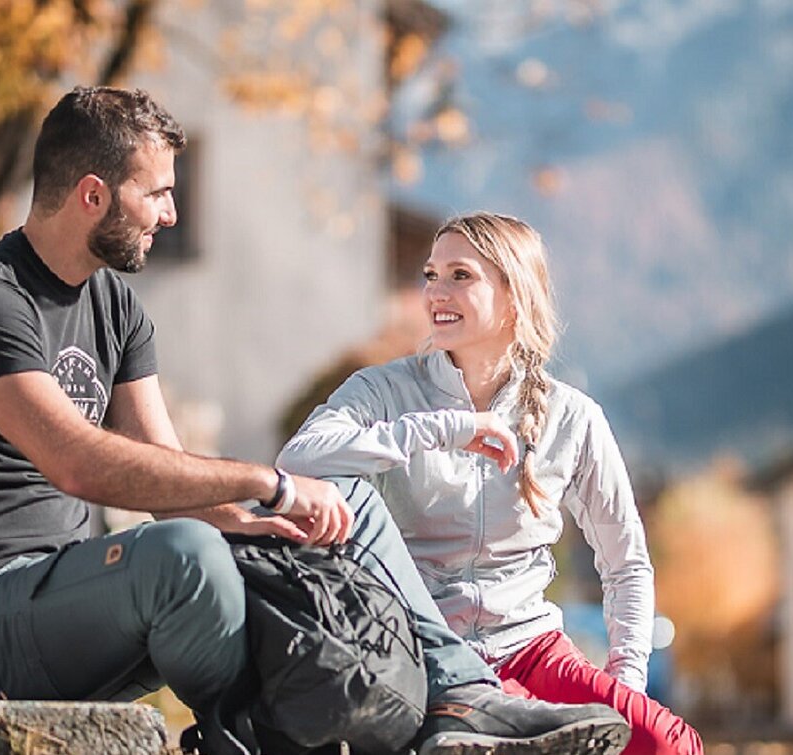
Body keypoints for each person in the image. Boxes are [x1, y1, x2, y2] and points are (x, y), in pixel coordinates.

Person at [0, 87, 632, 755]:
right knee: (184, 555)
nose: (172, 213)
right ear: (92, 195)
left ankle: (459, 697)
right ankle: (281, 737)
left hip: (79, 598)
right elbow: (75, 461)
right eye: (158, 194)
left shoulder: (115, 308)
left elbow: (164, 474)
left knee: (346, 510)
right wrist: (263, 483)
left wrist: (284, 515)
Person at [279, 212, 704, 755]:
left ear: (514, 295)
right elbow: (299, 458)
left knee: (666, 744)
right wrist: (441, 430)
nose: (436, 291)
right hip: (421, 651)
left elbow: (626, 563)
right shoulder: (382, 390)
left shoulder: (572, 417)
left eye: (461, 275)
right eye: (431, 275)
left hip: (533, 647)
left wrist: (624, 682)